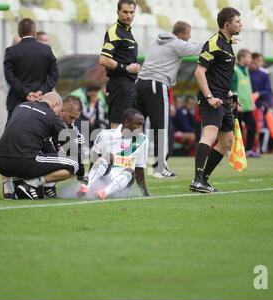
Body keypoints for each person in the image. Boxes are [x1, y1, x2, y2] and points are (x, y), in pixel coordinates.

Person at [136, 21, 202, 178]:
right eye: (188, 34)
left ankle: (132, 162)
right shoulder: (177, 44)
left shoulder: (155, 41)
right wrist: (222, 40)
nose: (189, 36)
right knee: (162, 127)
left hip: (140, 84)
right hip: (156, 84)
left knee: (137, 125)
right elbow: (200, 48)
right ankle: (159, 168)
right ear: (180, 34)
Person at [190, 7, 242, 193]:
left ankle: (203, 179)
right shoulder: (213, 43)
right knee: (210, 136)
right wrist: (209, 96)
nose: (240, 24)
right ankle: (197, 180)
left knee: (227, 141)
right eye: (237, 21)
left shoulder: (227, 43)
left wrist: (232, 97)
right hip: (212, 98)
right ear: (226, 24)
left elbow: (222, 74)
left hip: (224, 97)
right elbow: (199, 72)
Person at [0, 92, 79, 200]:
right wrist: (80, 173)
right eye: (59, 110)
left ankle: (8, 189)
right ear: (55, 105)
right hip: (23, 162)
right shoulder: (51, 116)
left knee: (10, 144)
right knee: (73, 164)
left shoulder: (20, 106)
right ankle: (31, 184)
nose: (58, 114)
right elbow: (72, 147)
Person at [77, 108, 150, 199]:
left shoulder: (143, 139)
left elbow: (139, 169)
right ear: (126, 123)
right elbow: (94, 161)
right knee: (107, 156)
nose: (141, 128)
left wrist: (145, 193)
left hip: (123, 185)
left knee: (131, 170)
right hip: (104, 179)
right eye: (137, 124)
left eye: (142, 124)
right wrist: (91, 181)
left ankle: (104, 192)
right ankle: (86, 187)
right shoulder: (105, 135)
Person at [4, 18, 59, 121]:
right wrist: (41, 92)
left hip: (17, 102)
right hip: (41, 102)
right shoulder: (46, 50)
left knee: (14, 134)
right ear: (34, 32)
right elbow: (54, 75)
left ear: (19, 32)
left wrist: (27, 93)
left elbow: (10, 77)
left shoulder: (11, 51)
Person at [99, 0, 140, 129]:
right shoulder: (114, 31)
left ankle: (122, 149)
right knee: (117, 126)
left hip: (128, 84)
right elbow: (104, 59)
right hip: (119, 84)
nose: (128, 15)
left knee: (127, 127)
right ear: (118, 12)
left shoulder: (127, 31)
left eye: (131, 12)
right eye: (125, 12)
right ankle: (113, 150)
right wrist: (127, 68)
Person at [232, 49, 258, 157]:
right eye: (249, 57)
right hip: (239, 106)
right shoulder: (235, 70)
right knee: (238, 130)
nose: (250, 59)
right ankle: (238, 151)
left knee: (252, 127)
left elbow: (248, 88)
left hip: (248, 106)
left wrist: (252, 102)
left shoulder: (246, 70)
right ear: (242, 58)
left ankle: (248, 150)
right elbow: (233, 88)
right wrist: (235, 102)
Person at [249, 52, 273, 156]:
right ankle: (243, 149)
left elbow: (268, 90)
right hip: (243, 105)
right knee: (244, 129)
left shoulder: (264, 74)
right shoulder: (244, 71)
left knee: (257, 129)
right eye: (259, 61)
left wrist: (258, 93)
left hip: (257, 106)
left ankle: (254, 149)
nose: (260, 63)